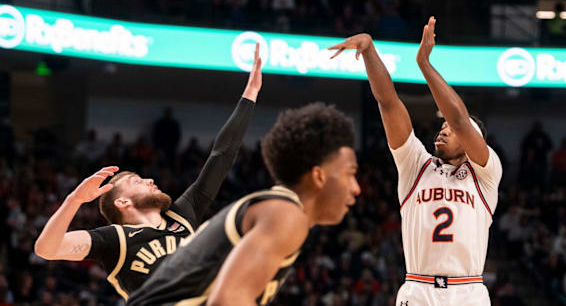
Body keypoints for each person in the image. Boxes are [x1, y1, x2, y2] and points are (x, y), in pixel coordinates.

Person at [34, 44, 264, 301]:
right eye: (137, 181)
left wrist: (250, 94)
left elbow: (221, 155)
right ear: (122, 202)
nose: (150, 180)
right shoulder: (115, 239)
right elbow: (47, 249)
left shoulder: (182, 216)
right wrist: (74, 200)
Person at [328, 17, 502, 306]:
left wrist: (424, 64)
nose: (444, 129)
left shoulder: (485, 174)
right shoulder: (415, 165)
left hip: (467, 291)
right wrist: (370, 51)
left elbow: (459, 119)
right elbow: (388, 102)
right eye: (441, 126)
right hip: (418, 288)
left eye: (451, 130)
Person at [127, 103, 360, 305]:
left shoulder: (274, 209)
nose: (356, 188)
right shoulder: (286, 214)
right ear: (318, 176)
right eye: (350, 174)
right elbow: (227, 300)